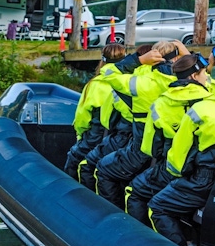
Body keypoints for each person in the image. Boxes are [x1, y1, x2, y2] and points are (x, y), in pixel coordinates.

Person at [148, 57, 215, 246]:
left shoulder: (202, 108)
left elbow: (178, 158)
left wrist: (177, 174)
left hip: (205, 180)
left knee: (158, 206)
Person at [94, 40, 189, 209]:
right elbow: (207, 76)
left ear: (152, 58)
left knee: (102, 169)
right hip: (177, 153)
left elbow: (107, 72)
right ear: (176, 58)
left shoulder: (140, 83)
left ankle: (112, 216)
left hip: (142, 149)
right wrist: (187, 55)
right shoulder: (192, 84)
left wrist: (139, 60)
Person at [125, 53, 212, 224]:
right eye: (204, 73)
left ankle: (141, 239)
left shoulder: (160, 104)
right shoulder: (213, 100)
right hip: (205, 170)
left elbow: (151, 148)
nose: (207, 77)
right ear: (194, 76)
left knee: (134, 191)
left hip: (172, 168)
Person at [77, 44, 161, 191]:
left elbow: (100, 119)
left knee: (85, 164)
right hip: (153, 145)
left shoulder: (124, 84)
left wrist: (80, 135)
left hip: (122, 138)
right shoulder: (164, 82)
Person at [63, 43, 126, 180]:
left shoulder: (95, 84)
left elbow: (82, 117)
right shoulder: (131, 83)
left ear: (102, 59)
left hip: (96, 135)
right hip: (120, 137)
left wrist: (80, 136)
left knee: (74, 161)